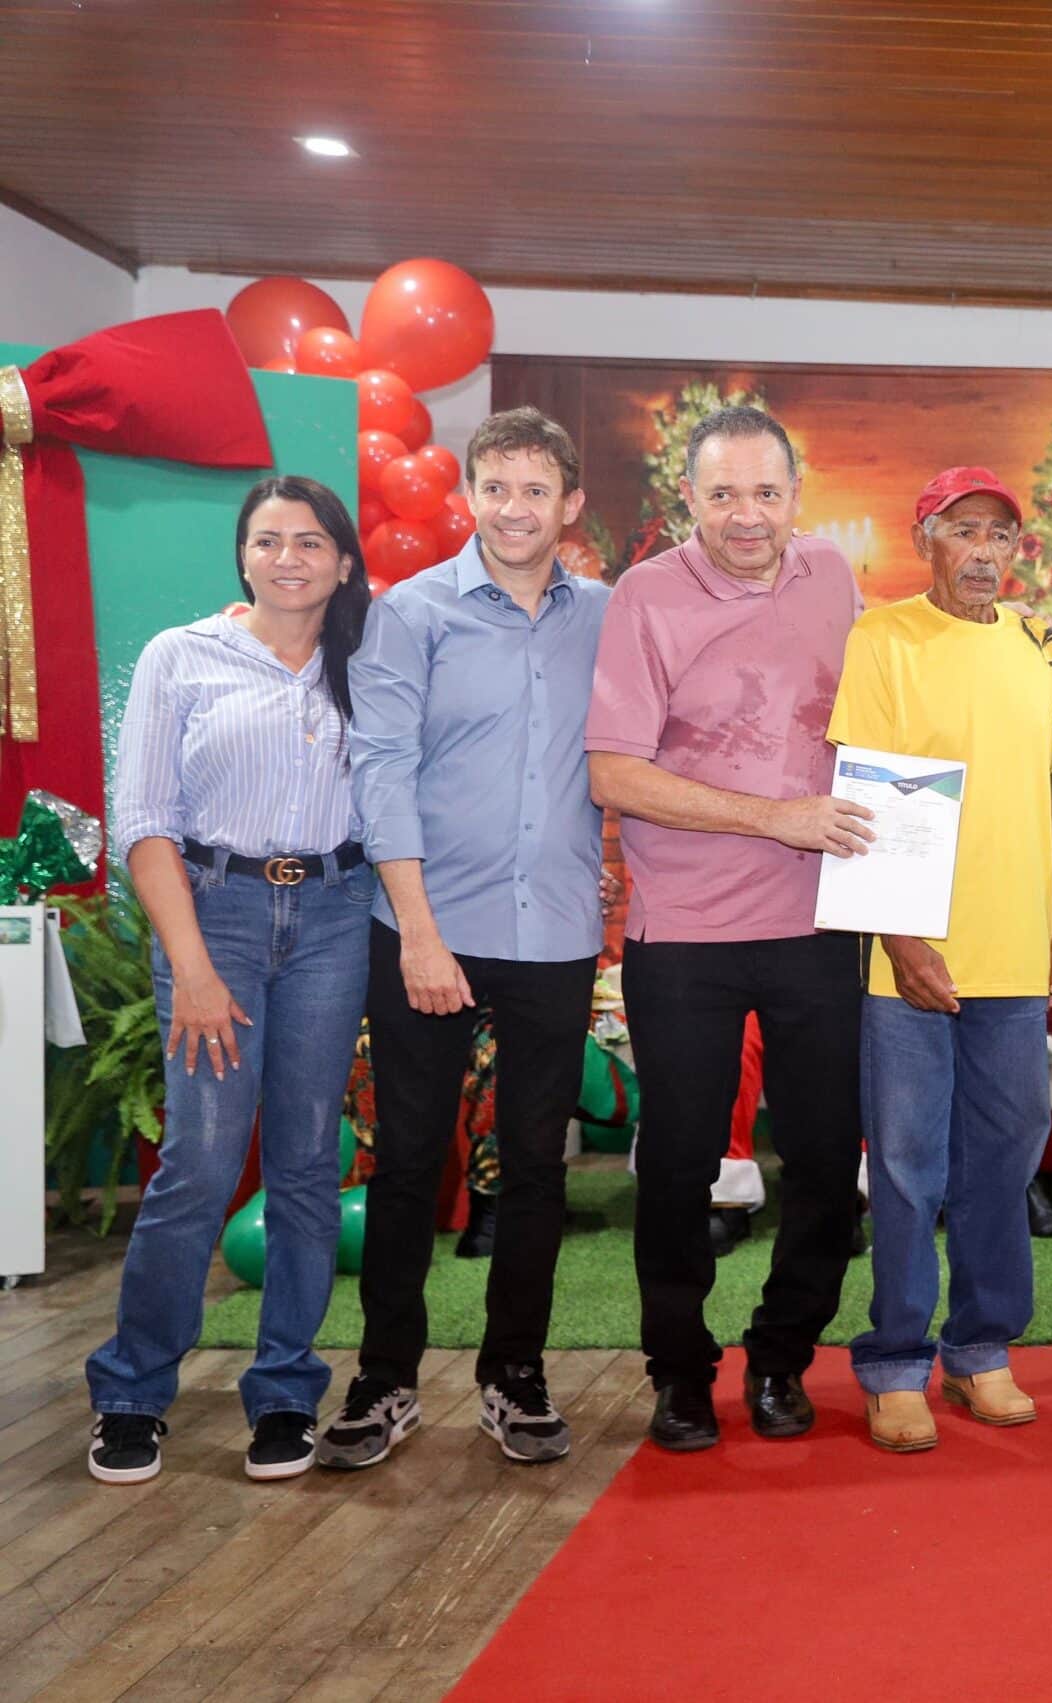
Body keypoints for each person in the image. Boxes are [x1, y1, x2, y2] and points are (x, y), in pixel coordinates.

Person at [317, 409, 609, 1472]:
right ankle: (385, 1379)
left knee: (536, 1165)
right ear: (470, 496)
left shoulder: (609, 615)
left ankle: (514, 1375)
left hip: (557, 928)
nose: (514, 509)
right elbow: (380, 769)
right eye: (496, 487)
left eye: (536, 489)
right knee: (406, 1161)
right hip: (427, 927)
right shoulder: (412, 612)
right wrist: (419, 934)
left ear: (569, 503)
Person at [586, 405, 872, 1454]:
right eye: (722, 494)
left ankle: (783, 1354)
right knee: (677, 1165)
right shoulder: (645, 596)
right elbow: (614, 773)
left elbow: (871, 724)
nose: (746, 516)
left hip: (818, 924)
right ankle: (679, 1368)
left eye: (765, 492)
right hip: (686, 933)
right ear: (689, 499)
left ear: (796, 496)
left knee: (826, 1160)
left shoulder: (833, 577)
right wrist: (774, 817)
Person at [85, 478, 375, 1486]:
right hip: (216, 917)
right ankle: (131, 1391)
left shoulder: (369, 661)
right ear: (242, 554)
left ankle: (286, 1388)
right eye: (267, 539)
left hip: (336, 914)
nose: (288, 557)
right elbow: (144, 821)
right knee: (201, 1162)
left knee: (305, 1163)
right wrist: (194, 966)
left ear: (343, 560)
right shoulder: (181, 655)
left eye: (311, 540)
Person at [830, 468, 1052, 1452]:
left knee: (1005, 1155)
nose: (984, 551)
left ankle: (980, 1347)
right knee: (904, 1163)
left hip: (1014, 953)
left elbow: (1051, 797)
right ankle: (896, 1360)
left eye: (1000, 535)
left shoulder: (1036, 645)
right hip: (913, 956)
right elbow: (863, 793)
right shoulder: (882, 637)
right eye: (963, 530)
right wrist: (898, 938)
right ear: (924, 538)